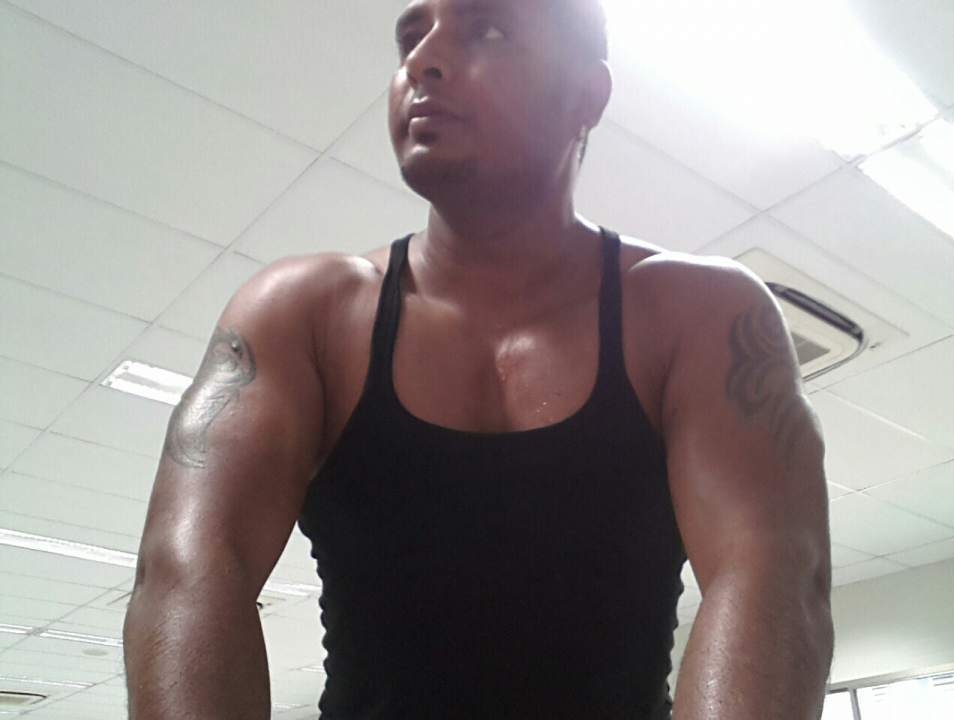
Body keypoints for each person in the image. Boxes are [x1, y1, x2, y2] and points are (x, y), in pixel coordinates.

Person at [123, 0, 834, 718]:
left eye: (487, 29)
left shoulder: (700, 316)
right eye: (411, 36)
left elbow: (774, 579)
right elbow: (187, 569)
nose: (421, 61)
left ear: (586, 96)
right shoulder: (301, 315)